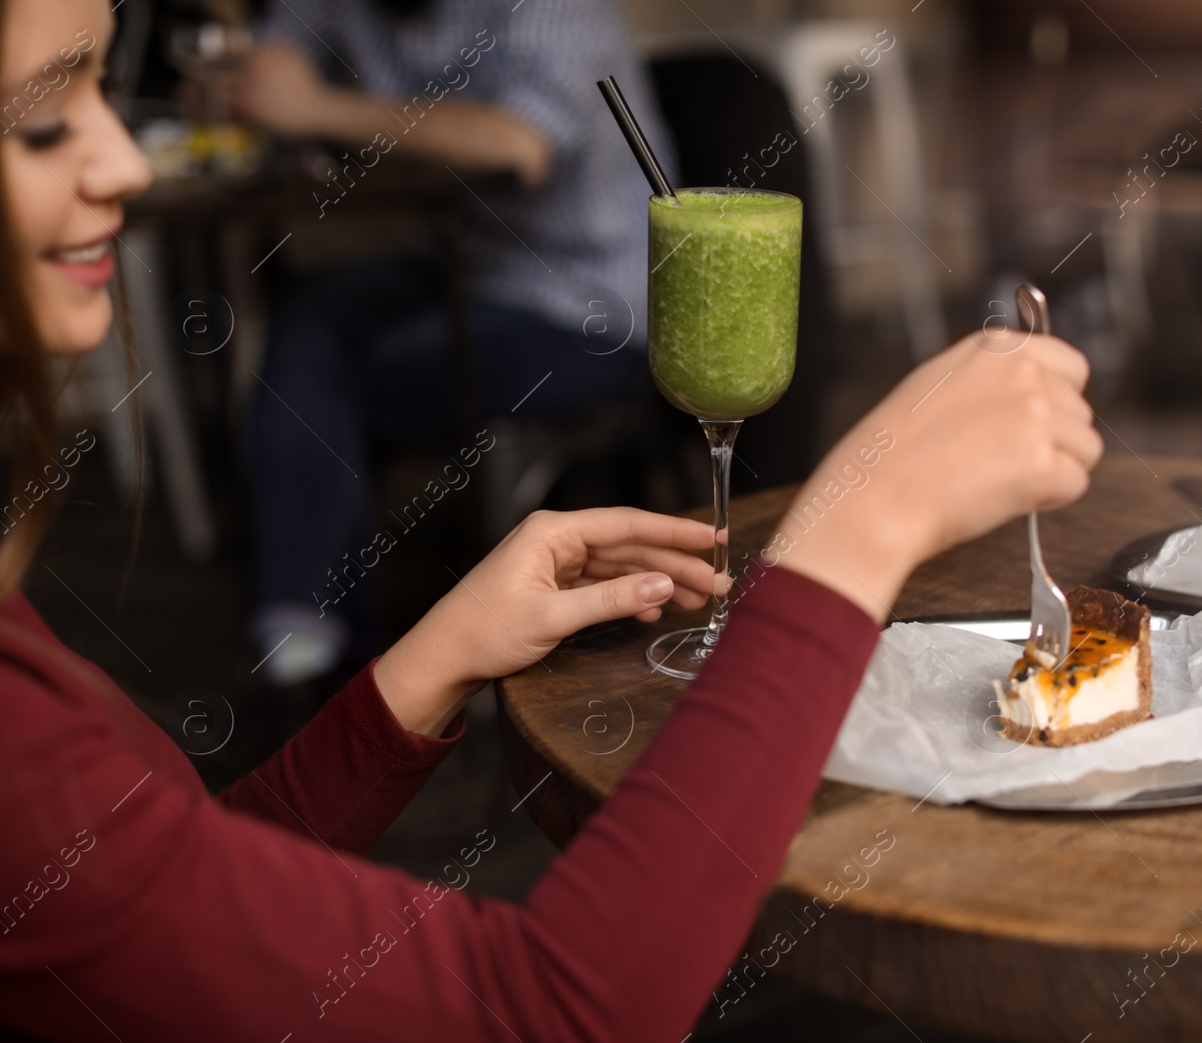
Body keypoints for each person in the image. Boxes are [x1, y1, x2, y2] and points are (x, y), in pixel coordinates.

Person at [0, 0, 1104, 1039]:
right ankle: (297, 623)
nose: (126, 163)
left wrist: (431, 659)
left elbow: (196, 902)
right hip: (472, 294)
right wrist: (864, 518)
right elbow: (549, 1009)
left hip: (583, 312)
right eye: (46, 120)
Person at [230, 0, 675, 685]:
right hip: (465, 268)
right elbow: (282, 42)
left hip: (583, 304)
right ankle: (304, 618)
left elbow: (516, 141)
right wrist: (267, 72)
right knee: (310, 319)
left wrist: (315, 107)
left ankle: (351, 663)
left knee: (332, 384)